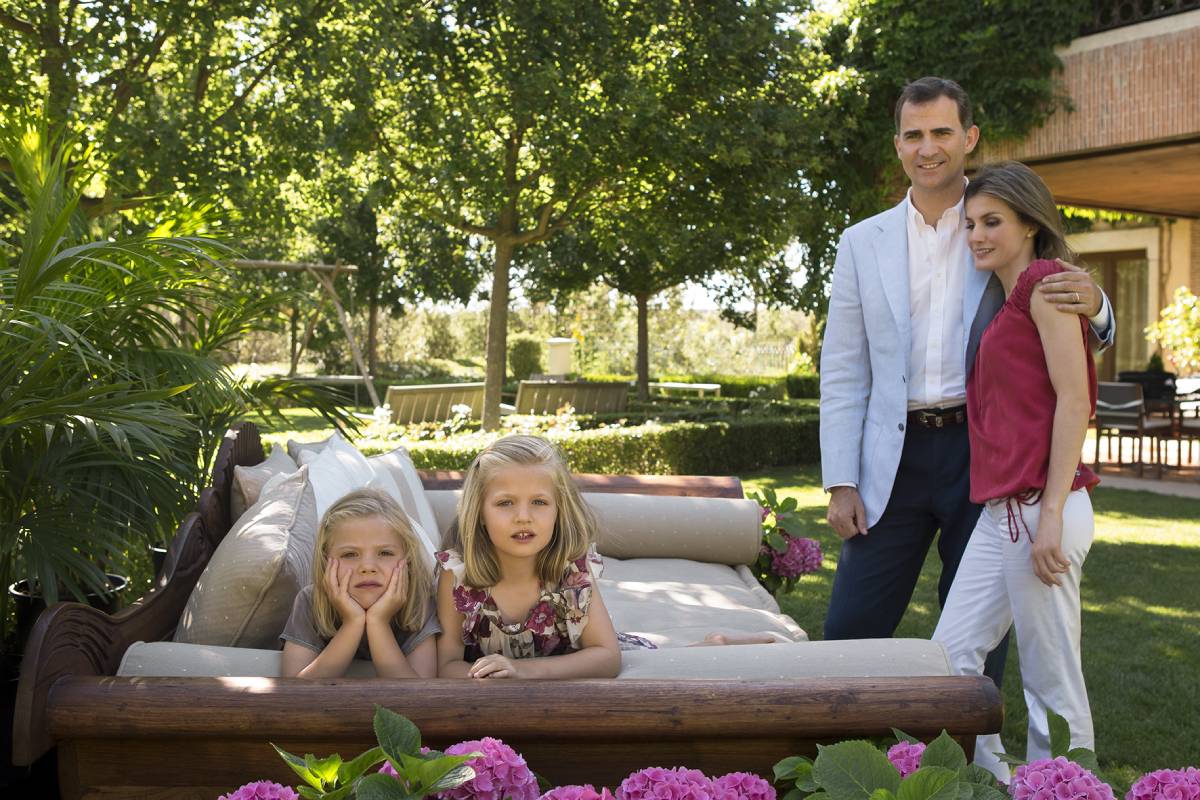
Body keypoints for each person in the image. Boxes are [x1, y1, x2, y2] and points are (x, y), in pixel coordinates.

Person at [818, 77, 1114, 684]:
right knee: (848, 629)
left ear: (969, 138)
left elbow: (1054, 289)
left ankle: (970, 765)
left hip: (982, 454)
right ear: (898, 145)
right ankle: (832, 762)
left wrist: (1099, 303)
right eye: (913, 135)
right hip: (889, 460)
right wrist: (840, 480)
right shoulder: (860, 243)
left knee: (980, 636)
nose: (928, 148)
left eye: (942, 133)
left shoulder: (994, 223)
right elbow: (845, 369)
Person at [933, 161, 1098, 779]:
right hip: (1003, 512)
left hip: (1041, 506)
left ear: (1030, 223)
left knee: (1051, 675)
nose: (977, 234)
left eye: (993, 221)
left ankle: (1072, 786)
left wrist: (1050, 513)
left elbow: (1075, 399)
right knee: (949, 658)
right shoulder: (1005, 301)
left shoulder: (1044, 282)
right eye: (971, 223)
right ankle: (998, 781)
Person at [434, 435, 628, 679]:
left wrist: (521, 671)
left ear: (559, 509)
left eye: (539, 501)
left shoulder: (572, 569)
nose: (523, 516)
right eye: (505, 503)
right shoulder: (457, 575)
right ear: (480, 512)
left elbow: (607, 656)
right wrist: (495, 681)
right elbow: (446, 665)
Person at [281, 488, 440, 678]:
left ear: (408, 559)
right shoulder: (310, 602)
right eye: (350, 554)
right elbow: (295, 694)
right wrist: (352, 623)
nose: (367, 567)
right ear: (325, 560)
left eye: (385, 553)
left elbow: (418, 699)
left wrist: (378, 622)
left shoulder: (419, 603)